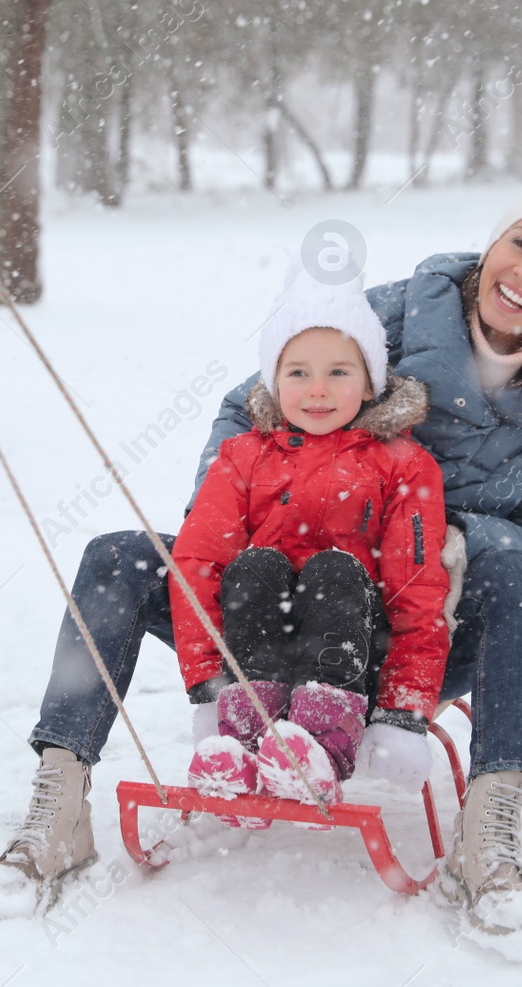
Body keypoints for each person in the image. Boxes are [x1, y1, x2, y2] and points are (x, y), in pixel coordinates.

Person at [0, 183, 522, 949]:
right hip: (266, 596)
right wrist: (243, 513)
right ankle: (59, 797)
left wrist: (449, 536)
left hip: (415, 621)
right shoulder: (394, 315)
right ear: (495, 242)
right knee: (118, 559)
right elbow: (255, 400)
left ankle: (489, 830)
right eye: (521, 242)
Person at [170, 267, 449, 828]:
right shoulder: (243, 457)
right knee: (255, 566)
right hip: (255, 647)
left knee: (334, 571)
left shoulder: (403, 465)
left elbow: (417, 588)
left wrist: (404, 708)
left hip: (352, 647)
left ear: (370, 383)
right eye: (297, 372)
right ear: (273, 381)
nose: (316, 389)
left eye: (338, 372)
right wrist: (206, 683)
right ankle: (245, 739)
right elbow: (198, 561)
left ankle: (322, 742)